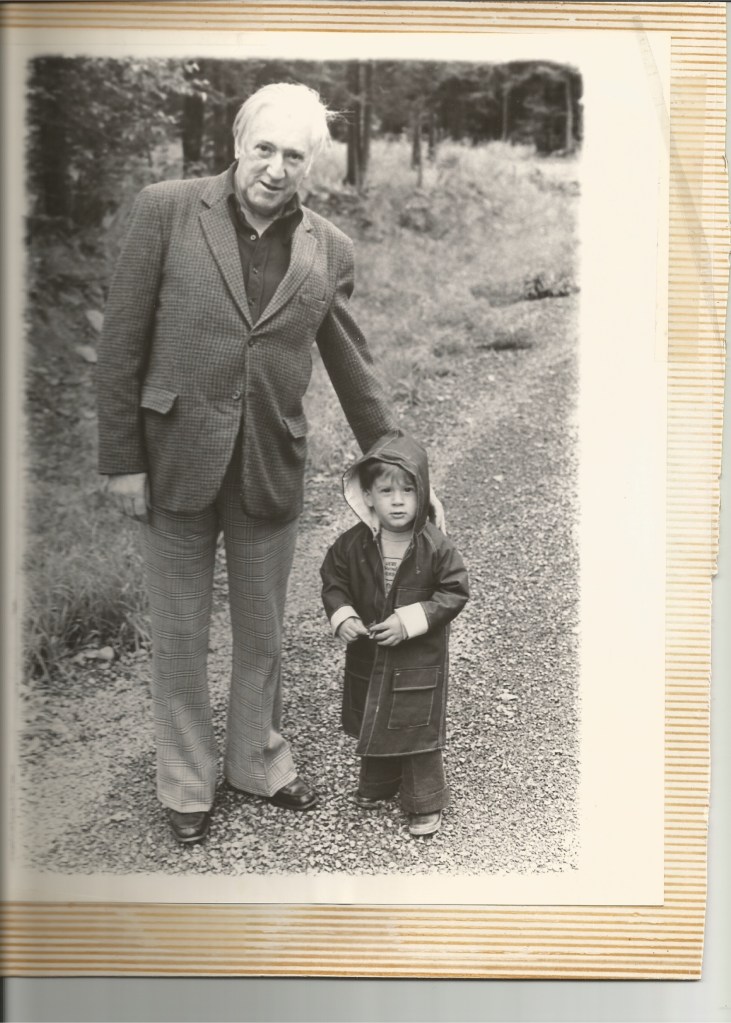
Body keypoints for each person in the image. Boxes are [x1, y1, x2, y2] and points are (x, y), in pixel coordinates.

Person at [96, 82, 443, 845]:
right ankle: (186, 783)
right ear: (236, 143)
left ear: (311, 165)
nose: (276, 168)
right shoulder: (165, 209)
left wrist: (404, 470)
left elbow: (354, 370)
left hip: (267, 463)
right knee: (181, 633)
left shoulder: (329, 247)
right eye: (264, 148)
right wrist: (121, 458)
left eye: (294, 154)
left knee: (262, 636)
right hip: (172, 459)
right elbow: (120, 343)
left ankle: (256, 761)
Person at [320, 432, 469, 837]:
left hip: (419, 657)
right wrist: (343, 614)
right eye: (386, 490)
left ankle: (424, 800)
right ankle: (379, 783)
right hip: (370, 650)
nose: (398, 500)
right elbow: (333, 581)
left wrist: (412, 619)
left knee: (414, 724)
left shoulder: (435, 547)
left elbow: (455, 590)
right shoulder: (351, 545)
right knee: (375, 709)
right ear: (367, 496)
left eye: (408, 490)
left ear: (423, 495)